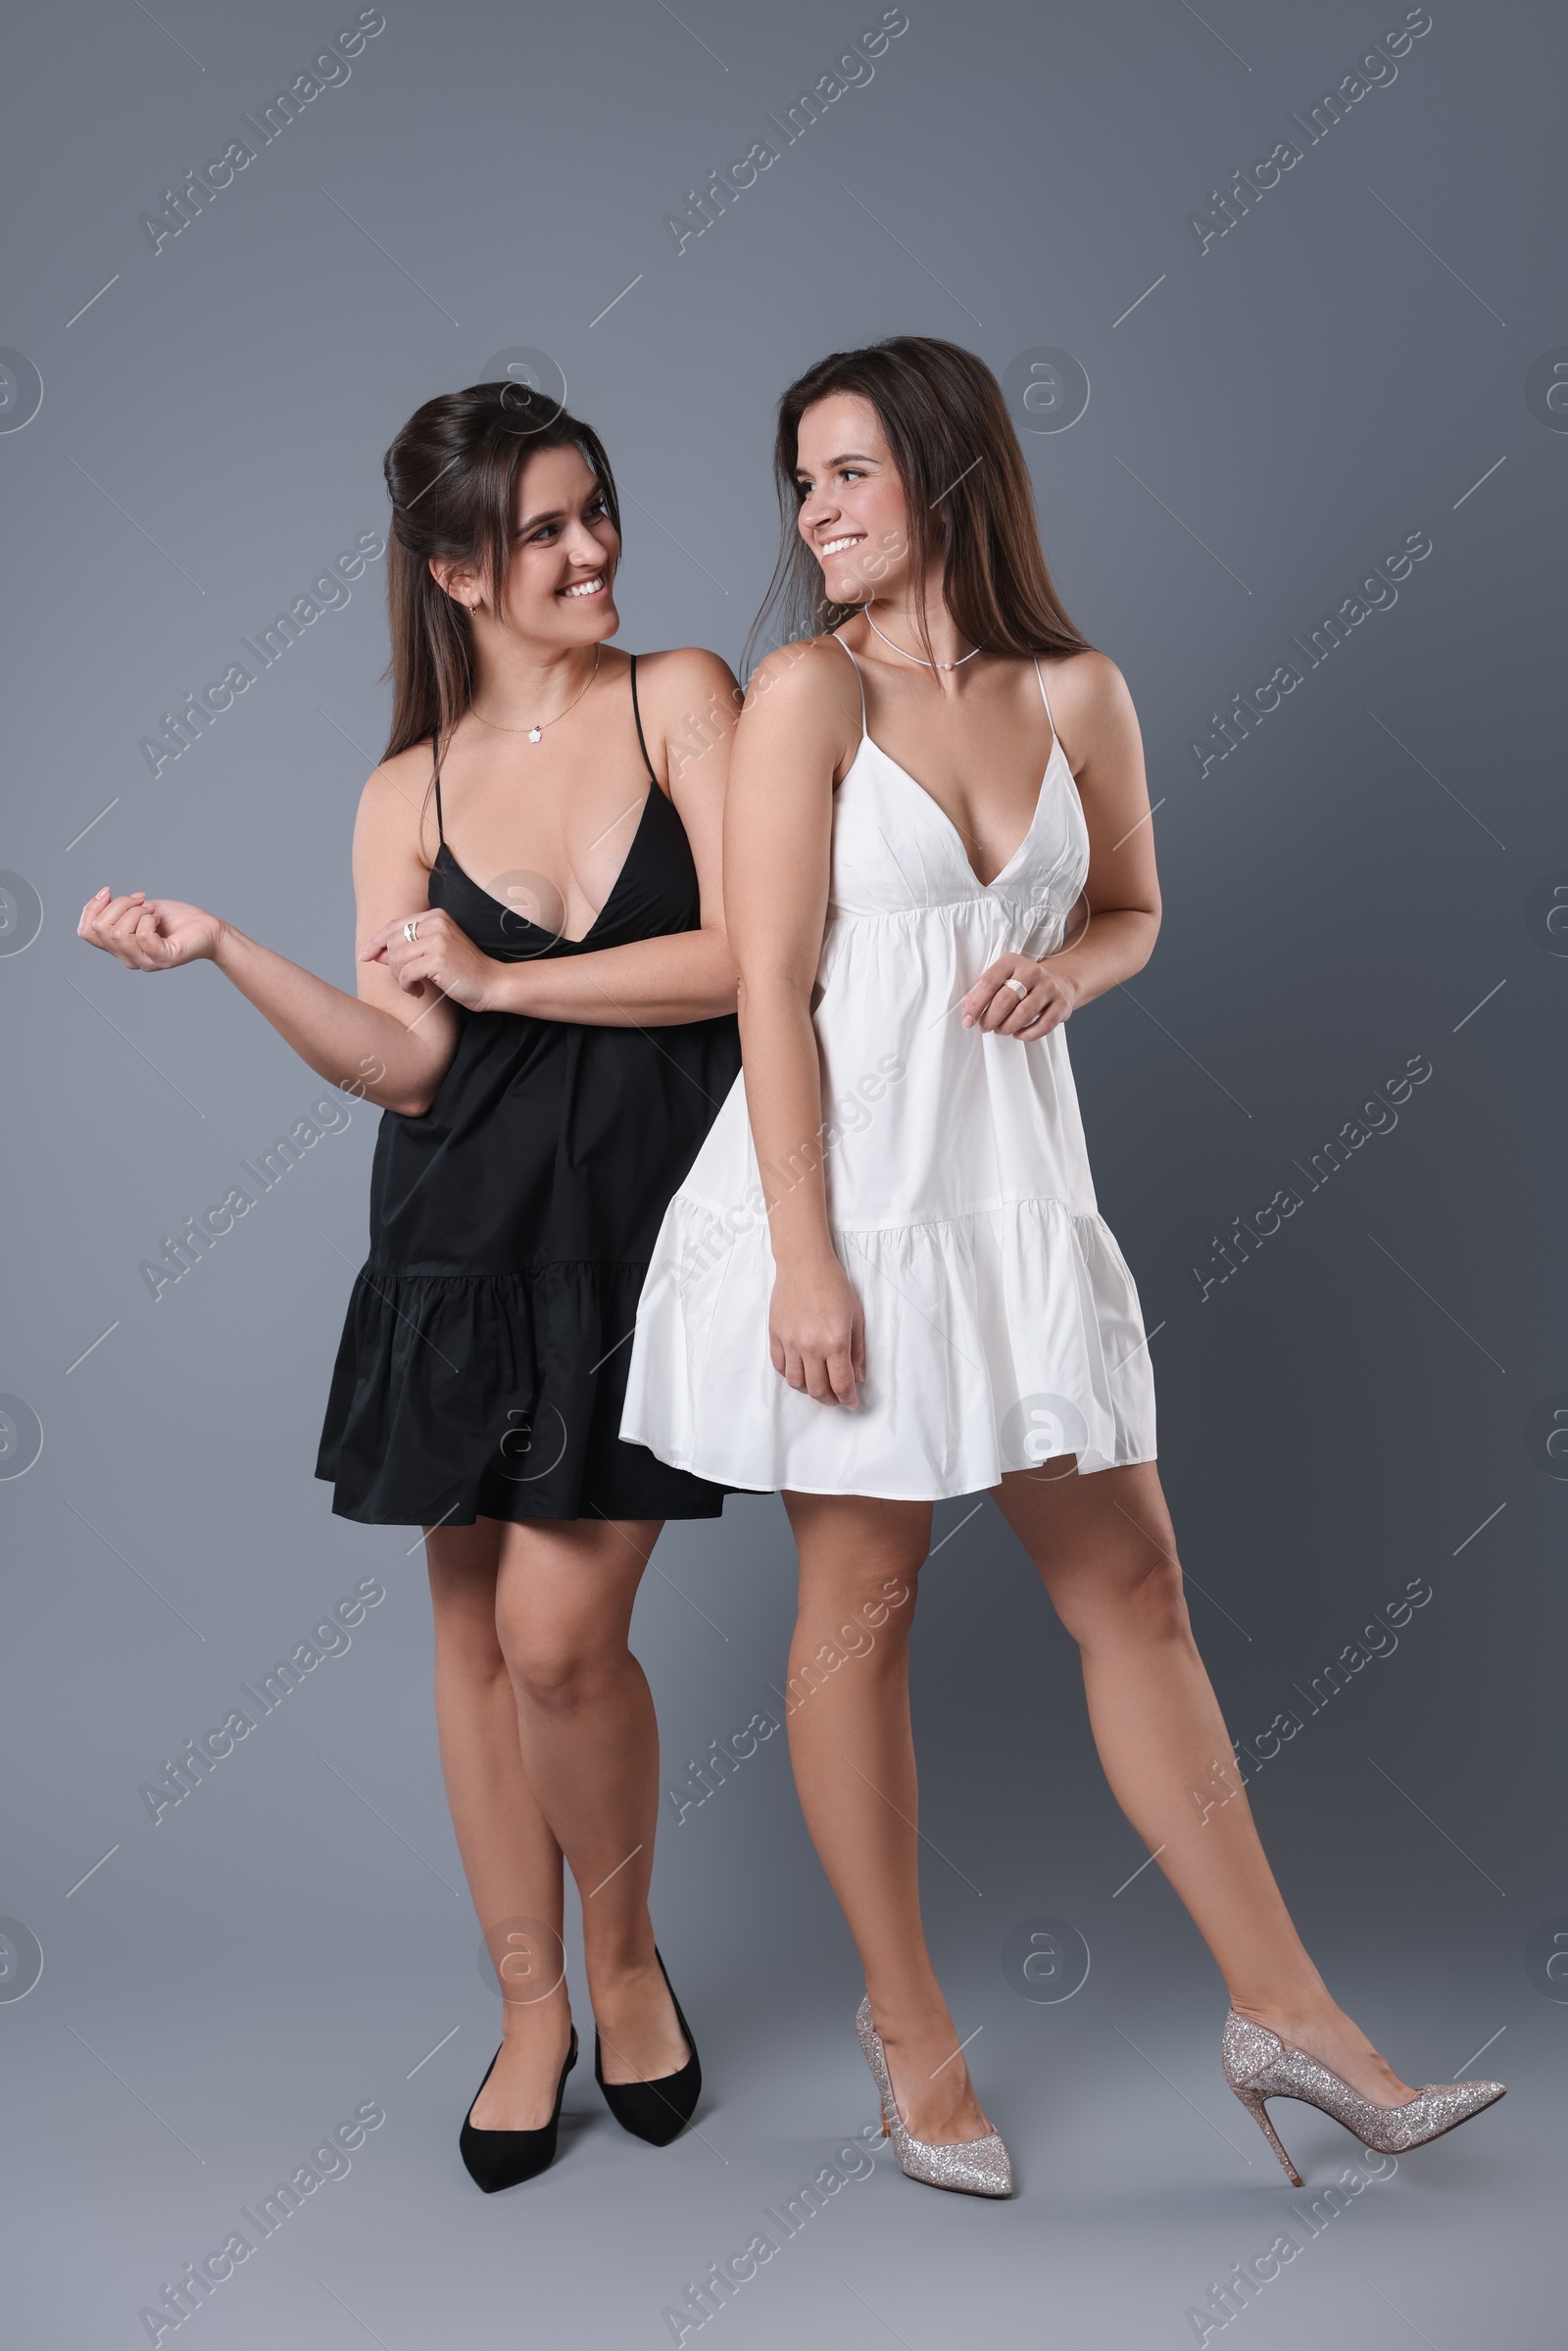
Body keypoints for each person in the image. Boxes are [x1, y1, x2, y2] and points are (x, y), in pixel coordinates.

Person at [621, 337, 1503, 2196]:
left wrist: (1065, 974)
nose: (816, 511)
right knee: (860, 1607)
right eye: (801, 481)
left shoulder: (1079, 690)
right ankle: (909, 2030)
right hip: (849, 1206)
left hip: (1018, 1205)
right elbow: (765, 991)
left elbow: (1133, 912)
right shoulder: (801, 695)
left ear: (944, 472)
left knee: (1140, 1592)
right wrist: (804, 1258)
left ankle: (1296, 2020)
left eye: (848, 471)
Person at [78, 383, 743, 2191]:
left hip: (643, 1241)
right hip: (455, 1246)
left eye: (597, 508)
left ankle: (625, 1962)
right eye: (544, 529)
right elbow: (407, 1065)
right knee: (467, 1634)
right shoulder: (406, 790)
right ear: (457, 568)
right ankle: (532, 2004)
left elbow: (758, 954)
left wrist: (508, 981)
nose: (593, 546)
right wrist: (222, 950)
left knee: (555, 1636)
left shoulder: (684, 698)